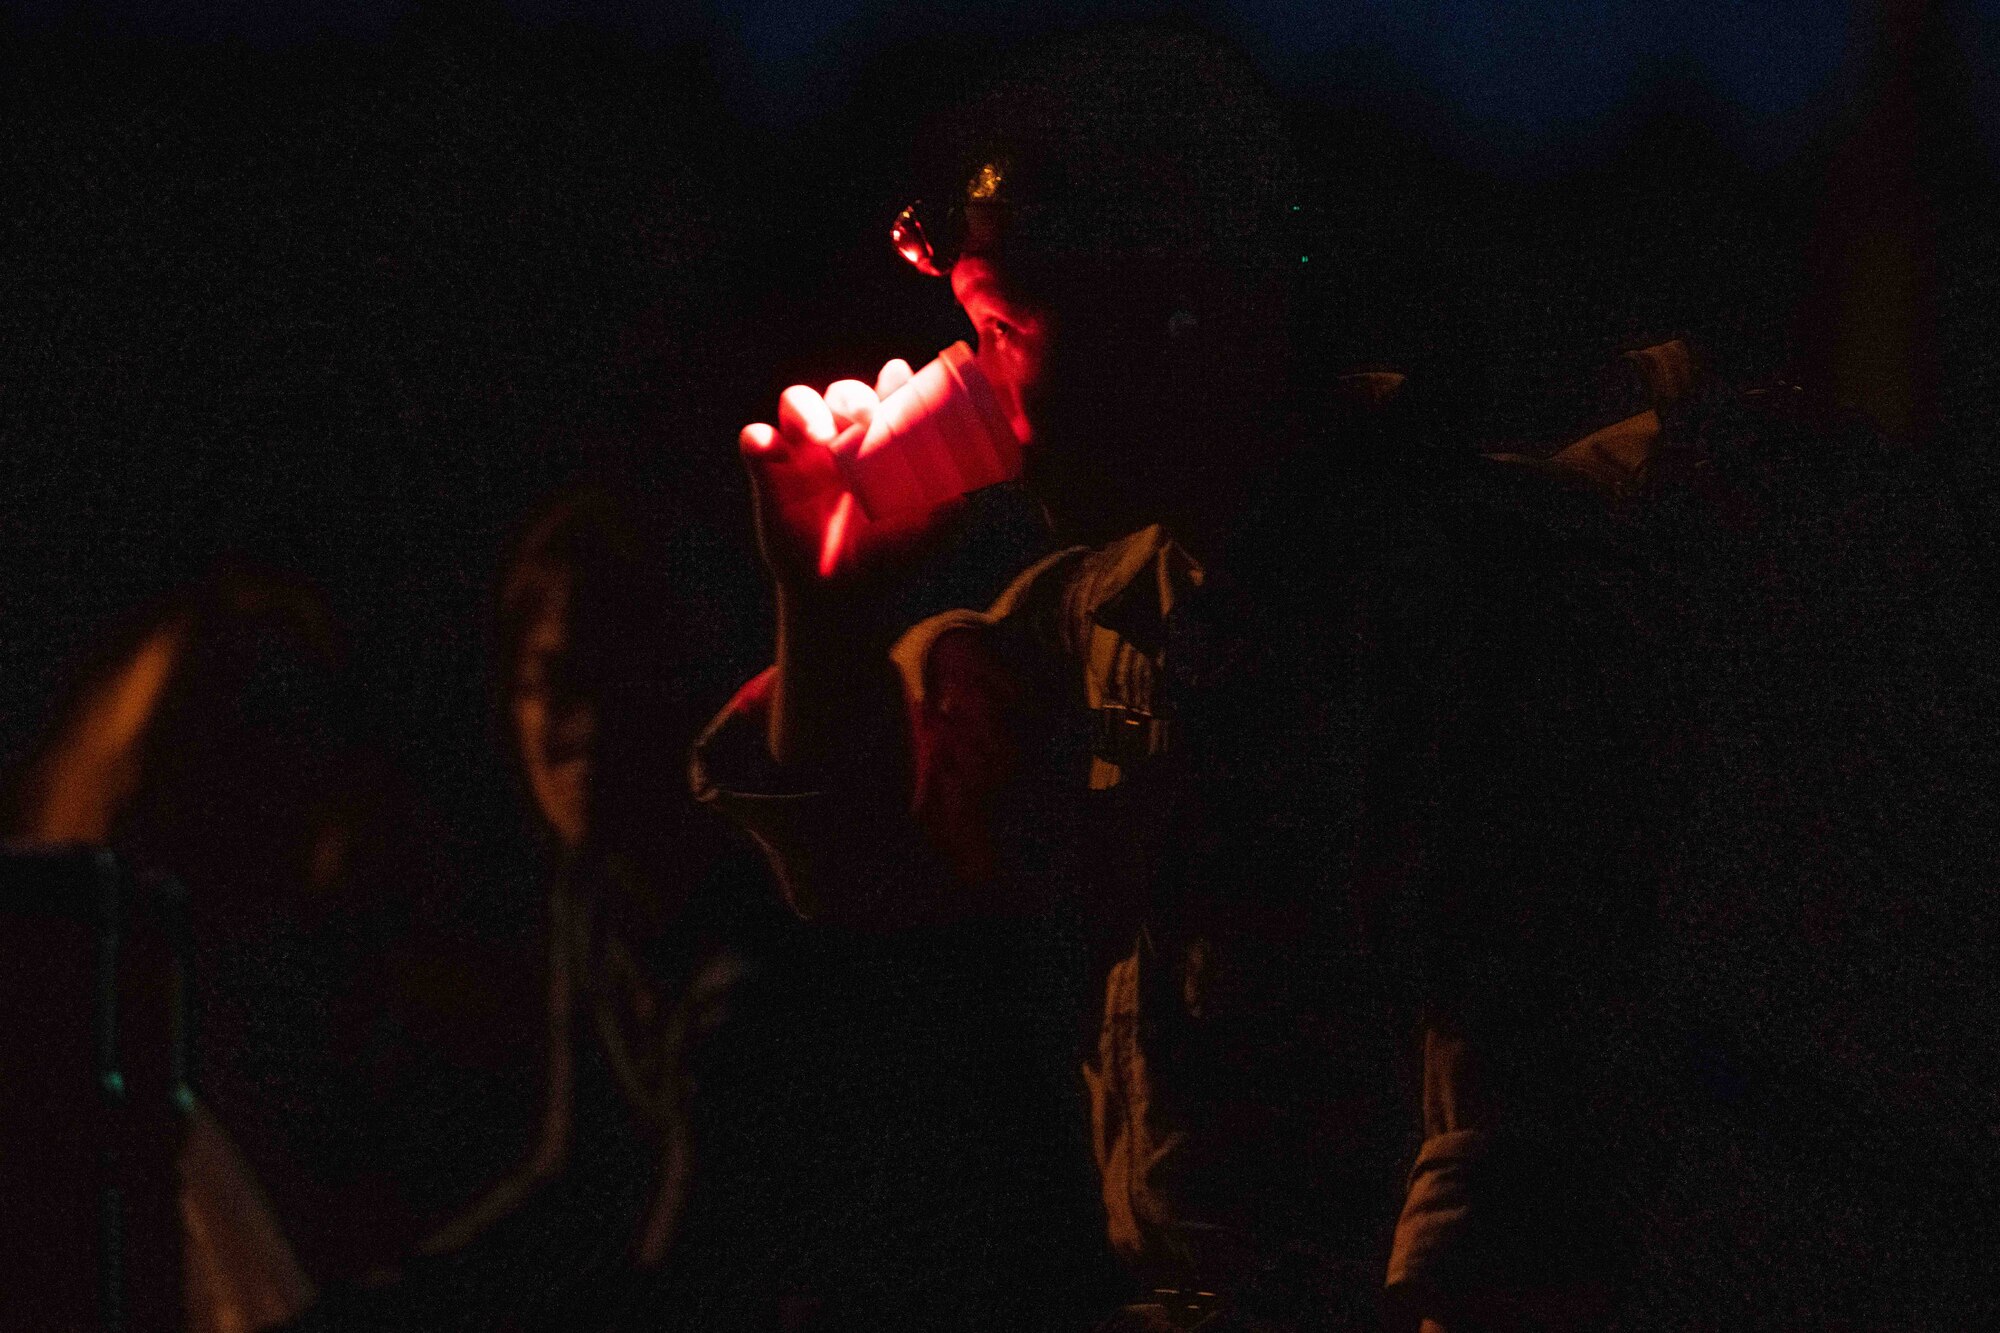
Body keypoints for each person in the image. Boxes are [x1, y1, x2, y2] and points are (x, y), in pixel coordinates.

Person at [306, 485, 789, 1332]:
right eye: (552, 684)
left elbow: (703, 1257)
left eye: (621, 679)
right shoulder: (592, 894)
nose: (585, 726)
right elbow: (578, 1174)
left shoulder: (758, 910)